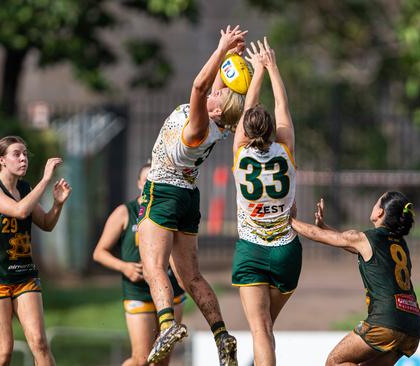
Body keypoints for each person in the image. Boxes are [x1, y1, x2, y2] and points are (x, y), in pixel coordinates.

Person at [137, 25, 247, 366]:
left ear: (215, 108)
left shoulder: (200, 124)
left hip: (164, 190)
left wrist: (219, 48)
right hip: (188, 196)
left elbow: (200, 85)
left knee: (153, 265)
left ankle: (167, 325)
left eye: (220, 93)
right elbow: (214, 86)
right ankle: (221, 334)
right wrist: (230, 56)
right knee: (192, 276)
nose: (216, 91)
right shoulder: (221, 123)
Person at [230, 38, 300, 365]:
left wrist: (255, 72)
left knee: (260, 330)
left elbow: (248, 110)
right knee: (266, 328)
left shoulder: (240, 151)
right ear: (274, 129)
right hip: (286, 250)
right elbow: (282, 108)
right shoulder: (285, 149)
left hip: (251, 249)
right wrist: (271, 67)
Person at [292, 192, 420, 366]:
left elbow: (317, 235)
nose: (373, 206)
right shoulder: (400, 244)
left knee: (335, 361)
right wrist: (325, 226)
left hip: (385, 322)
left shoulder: (367, 238)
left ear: (380, 213)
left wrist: (288, 221)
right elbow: (349, 243)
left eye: (376, 203)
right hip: (412, 326)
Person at [0, 136, 71, 366]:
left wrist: (57, 204)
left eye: (25, 154)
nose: (23, 158)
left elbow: (46, 224)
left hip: (24, 276)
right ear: (2, 160)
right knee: (4, 352)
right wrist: (46, 179)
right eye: (17, 154)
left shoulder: (24, 188)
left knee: (39, 343)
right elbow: (18, 211)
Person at [92, 163, 187, 366]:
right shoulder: (125, 212)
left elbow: (184, 249)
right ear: (138, 183)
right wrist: (124, 267)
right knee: (142, 359)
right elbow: (99, 252)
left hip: (171, 291)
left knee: (162, 360)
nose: (149, 184)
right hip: (138, 291)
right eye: (145, 180)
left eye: (154, 180)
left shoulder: (172, 211)